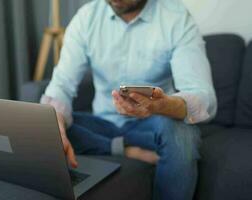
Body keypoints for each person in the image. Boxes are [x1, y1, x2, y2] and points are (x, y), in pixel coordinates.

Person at [40, 0, 217, 199]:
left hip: (153, 125)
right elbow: (61, 86)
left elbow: (204, 97)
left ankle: (112, 146)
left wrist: (161, 106)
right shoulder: (86, 17)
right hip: (102, 123)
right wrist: (56, 125)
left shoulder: (175, 18)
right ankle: (126, 149)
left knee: (183, 136)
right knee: (45, 124)